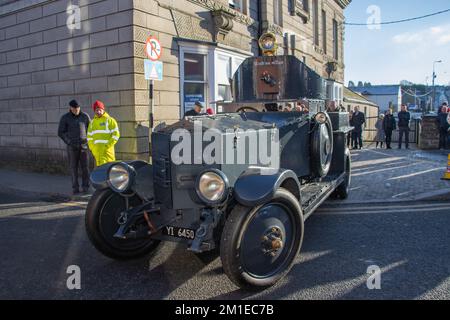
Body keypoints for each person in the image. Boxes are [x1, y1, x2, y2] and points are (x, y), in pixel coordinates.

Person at [58, 100, 91, 195]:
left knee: (85, 168)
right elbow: (61, 132)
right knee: (73, 168)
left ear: (80, 107)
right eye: (74, 108)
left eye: (78, 108)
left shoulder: (85, 116)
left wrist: (88, 141)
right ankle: (75, 188)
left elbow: (90, 130)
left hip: (83, 147)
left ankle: (85, 187)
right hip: (72, 147)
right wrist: (69, 142)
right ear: (70, 108)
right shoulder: (65, 118)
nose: (76, 110)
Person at [87, 100, 120, 167]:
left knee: (110, 172)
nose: (98, 112)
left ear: (103, 109)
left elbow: (116, 135)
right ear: (94, 111)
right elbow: (89, 137)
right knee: (100, 173)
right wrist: (93, 148)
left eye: (100, 109)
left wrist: (107, 146)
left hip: (107, 153)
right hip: (97, 153)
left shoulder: (110, 120)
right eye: (96, 110)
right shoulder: (92, 123)